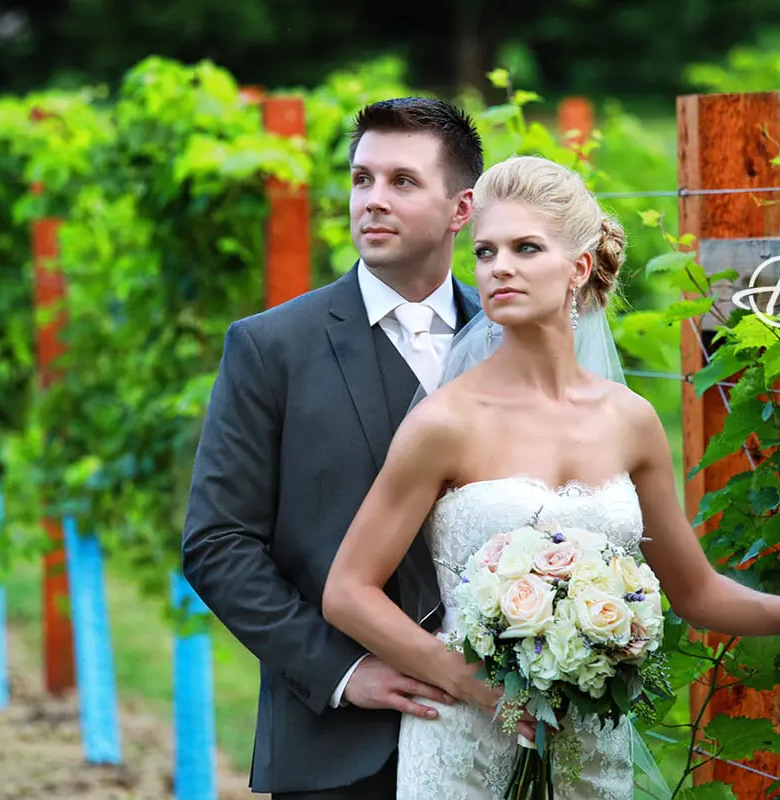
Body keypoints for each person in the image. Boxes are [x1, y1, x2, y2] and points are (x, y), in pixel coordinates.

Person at [321, 155, 780, 799]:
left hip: (590, 748)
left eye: (526, 248)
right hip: (464, 745)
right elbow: (348, 591)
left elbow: (693, 592)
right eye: (486, 251)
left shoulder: (631, 422)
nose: (499, 267)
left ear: (579, 267)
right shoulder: (445, 422)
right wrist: (466, 681)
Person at [181, 97, 488, 799]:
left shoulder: (512, 339)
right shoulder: (270, 347)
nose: (372, 201)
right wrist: (344, 673)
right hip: (335, 751)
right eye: (361, 180)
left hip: (496, 739)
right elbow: (218, 543)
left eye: (402, 182)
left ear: (460, 209)